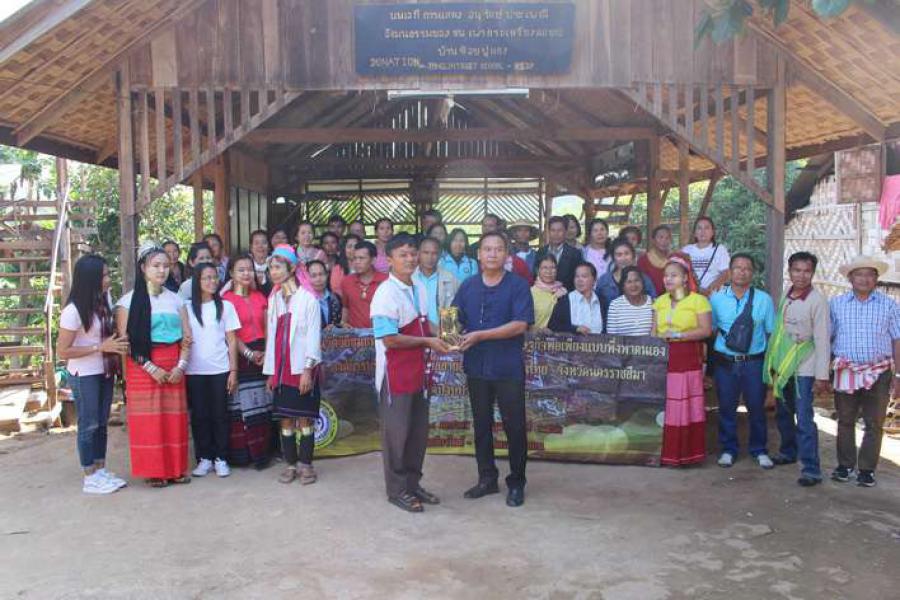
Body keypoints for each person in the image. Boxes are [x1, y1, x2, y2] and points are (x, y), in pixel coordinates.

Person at [371, 234, 451, 512]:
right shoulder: (385, 294)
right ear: (389, 260)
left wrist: (447, 335)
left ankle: (413, 484)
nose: (410, 259)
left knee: (417, 433)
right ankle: (397, 490)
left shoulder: (418, 287)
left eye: (412, 254)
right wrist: (428, 341)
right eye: (402, 255)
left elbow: (424, 324)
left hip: (419, 372)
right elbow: (389, 339)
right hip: (395, 376)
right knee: (397, 435)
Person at [453, 232, 534, 508]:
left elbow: (520, 325)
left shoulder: (518, 285)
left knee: (515, 426)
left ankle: (517, 482)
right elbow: (456, 318)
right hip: (477, 367)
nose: (492, 254)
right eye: (487, 249)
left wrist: (480, 335)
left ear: (506, 255)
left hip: (507, 367)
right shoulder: (468, 286)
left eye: (498, 249)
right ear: (479, 254)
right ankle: (487, 478)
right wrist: (450, 331)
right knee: (482, 425)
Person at [115, 242, 192, 488]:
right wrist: (151, 368)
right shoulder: (127, 303)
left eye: (166, 266)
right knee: (149, 421)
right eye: (155, 265)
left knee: (173, 420)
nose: (161, 271)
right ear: (143, 268)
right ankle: (154, 471)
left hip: (173, 365)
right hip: (142, 367)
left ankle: (176, 469)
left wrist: (181, 366)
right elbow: (126, 343)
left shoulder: (176, 300)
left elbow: (187, 337)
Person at [57, 255, 129, 494]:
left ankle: (100, 469)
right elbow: (62, 351)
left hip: (105, 370)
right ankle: (89, 475)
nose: (109, 279)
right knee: (89, 424)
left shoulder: (104, 299)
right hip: (84, 373)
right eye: (104, 275)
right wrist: (99, 347)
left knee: (101, 423)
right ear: (91, 279)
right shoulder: (73, 311)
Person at [829, 255, 900, 488]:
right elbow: (827, 337)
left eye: (870, 274)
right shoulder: (836, 304)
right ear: (850, 278)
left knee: (874, 423)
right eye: (859, 274)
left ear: (876, 279)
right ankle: (845, 465)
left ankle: (867, 469)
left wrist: (898, 375)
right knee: (845, 420)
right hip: (846, 370)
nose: (864, 279)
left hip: (879, 372)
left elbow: (897, 340)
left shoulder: (889, 305)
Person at [763, 252, 831, 487]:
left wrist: (821, 376)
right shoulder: (787, 293)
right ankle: (788, 451)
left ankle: (811, 469)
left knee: (803, 418)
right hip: (783, 366)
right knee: (783, 412)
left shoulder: (817, 301)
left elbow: (822, 339)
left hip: (805, 367)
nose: (801, 275)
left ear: (813, 273)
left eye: (806, 271)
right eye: (797, 270)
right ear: (789, 271)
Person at [263, 245, 322, 485]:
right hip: (281, 371)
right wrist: (270, 372)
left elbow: (314, 337)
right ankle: (290, 464)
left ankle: (306, 465)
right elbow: (272, 339)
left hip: (301, 369)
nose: (274, 272)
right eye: (271, 268)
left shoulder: (308, 299)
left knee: (305, 420)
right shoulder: (275, 299)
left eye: (278, 267)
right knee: (285, 420)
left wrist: (308, 370)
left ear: (292, 268)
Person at [710, 253, 775, 469]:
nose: (742, 272)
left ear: (753, 273)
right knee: (726, 408)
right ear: (730, 271)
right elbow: (711, 329)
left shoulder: (764, 300)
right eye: (737, 267)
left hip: (754, 362)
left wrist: (771, 367)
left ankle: (759, 450)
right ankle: (728, 450)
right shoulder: (716, 299)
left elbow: (771, 333)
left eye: (747, 268)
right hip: (725, 362)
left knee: (756, 408)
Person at [652, 256, 713, 466]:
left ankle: (688, 454)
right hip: (664, 359)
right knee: (668, 405)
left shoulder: (698, 301)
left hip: (687, 357)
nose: (668, 279)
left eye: (674, 275)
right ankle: (666, 454)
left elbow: (706, 330)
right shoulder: (660, 302)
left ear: (686, 278)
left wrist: (679, 335)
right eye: (666, 275)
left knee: (687, 405)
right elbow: (653, 332)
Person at [184, 263, 240, 479]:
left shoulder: (225, 307)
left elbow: (232, 340)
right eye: (206, 278)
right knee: (200, 416)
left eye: (214, 277)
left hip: (220, 369)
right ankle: (204, 458)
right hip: (194, 370)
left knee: (220, 415)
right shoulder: (187, 308)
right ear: (197, 281)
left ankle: (221, 458)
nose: (212, 282)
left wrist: (233, 370)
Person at [221, 255, 273, 469]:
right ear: (231, 273)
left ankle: (263, 453)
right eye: (241, 270)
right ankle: (243, 456)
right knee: (243, 406)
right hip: (240, 356)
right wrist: (250, 355)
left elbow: (269, 327)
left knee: (263, 404)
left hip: (264, 353)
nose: (246, 274)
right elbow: (231, 335)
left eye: (249, 269)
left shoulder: (261, 297)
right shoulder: (226, 300)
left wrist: (267, 353)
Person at [594, 239, 655, 322]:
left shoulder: (644, 279)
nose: (623, 258)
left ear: (633, 256)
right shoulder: (604, 280)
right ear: (613, 258)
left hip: (640, 325)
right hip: (611, 326)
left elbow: (654, 304)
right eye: (619, 255)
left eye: (627, 254)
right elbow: (597, 307)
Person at [340, 240, 388, 328]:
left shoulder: (386, 281)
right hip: (354, 334)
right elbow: (345, 307)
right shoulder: (346, 281)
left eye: (361, 258)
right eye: (355, 258)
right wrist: (343, 323)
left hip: (381, 333)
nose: (357, 262)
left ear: (373, 260)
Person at [548, 262, 603, 335]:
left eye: (584, 276)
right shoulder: (565, 301)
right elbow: (552, 326)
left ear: (594, 280)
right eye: (577, 276)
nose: (580, 280)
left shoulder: (602, 301)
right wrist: (575, 329)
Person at [682, 217, 730, 296]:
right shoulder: (686, 250)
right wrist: (697, 290)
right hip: (691, 295)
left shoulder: (720, 249)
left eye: (706, 228)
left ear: (712, 232)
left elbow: (726, 273)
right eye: (699, 228)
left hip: (712, 296)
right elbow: (680, 272)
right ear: (695, 233)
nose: (703, 231)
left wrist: (710, 290)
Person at [638, 225, 691, 296]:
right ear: (653, 240)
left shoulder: (678, 258)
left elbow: (686, 281)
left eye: (667, 238)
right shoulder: (643, 260)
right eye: (660, 237)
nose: (664, 241)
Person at [535, 216, 581, 291]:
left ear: (565, 232)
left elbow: (578, 279)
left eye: (560, 230)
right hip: (543, 294)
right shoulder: (541, 252)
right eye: (553, 230)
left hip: (566, 294)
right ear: (548, 232)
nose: (556, 234)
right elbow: (536, 275)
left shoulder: (575, 254)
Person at [607, 266, 655, 336]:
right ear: (623, 286)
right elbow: (611, 337)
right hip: (622, 343)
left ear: (642, 282)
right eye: (629, 282)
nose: (633, 285)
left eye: (637, 280)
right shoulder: (615, 305)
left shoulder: (653, 302)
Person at [531, 255, 567, 331]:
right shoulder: (530, 293)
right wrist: (540, 330)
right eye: (545, 268)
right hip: (537, 337)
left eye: (553, 268)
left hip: (561, 337)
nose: (549, 271)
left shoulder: (564, 292)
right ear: (537, 271)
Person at [308, 259, 342, 329]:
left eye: (321, 274)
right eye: (313, 276)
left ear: (327, 275)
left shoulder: (336, 299)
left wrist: (336, 326)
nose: (318, 279)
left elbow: (340, 323)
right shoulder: (304, 301)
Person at [331, 234, 361, 300]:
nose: (353, 249)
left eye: (356, 246)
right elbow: (336, 290)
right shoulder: (337, 269)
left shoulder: (366, 267)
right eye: (349, 247)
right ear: (344, 249)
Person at [249, 229, 272, 296]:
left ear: (268, 247)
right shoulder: (247, 265)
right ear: (251, 248)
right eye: (256, 243)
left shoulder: (274, 264)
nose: (260, 246)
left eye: (264, 242)